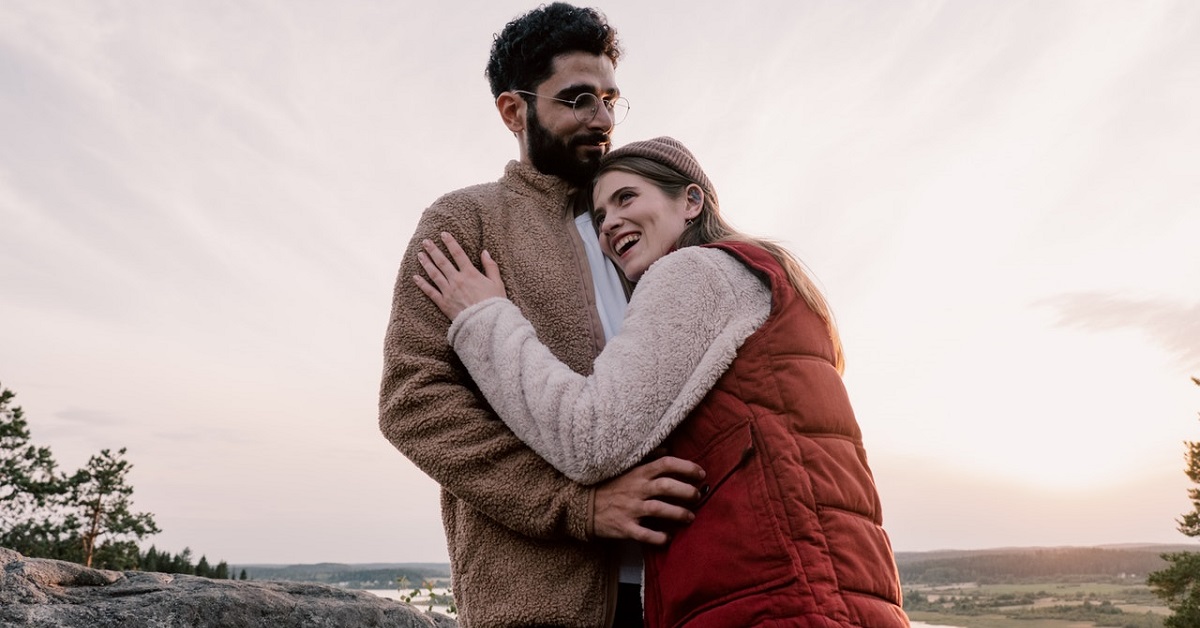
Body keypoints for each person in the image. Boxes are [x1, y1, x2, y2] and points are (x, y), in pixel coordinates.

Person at [414, 137, 910, 627]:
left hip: (769, 602)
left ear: (691, 200)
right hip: (839, 595)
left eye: (626, 197)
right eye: (600, 215)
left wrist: (485, 317)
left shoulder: (694, 272)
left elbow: (590, 437)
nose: (610, 225)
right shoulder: (772, 283)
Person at [378, 5, 704, 628]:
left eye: (611, 98)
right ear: (513, 111)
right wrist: (573, 505)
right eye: (579, 98)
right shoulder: (467, 222)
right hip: (541, 596)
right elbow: (412, 401)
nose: (603, 119)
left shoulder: (643, 221)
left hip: (687, 585)